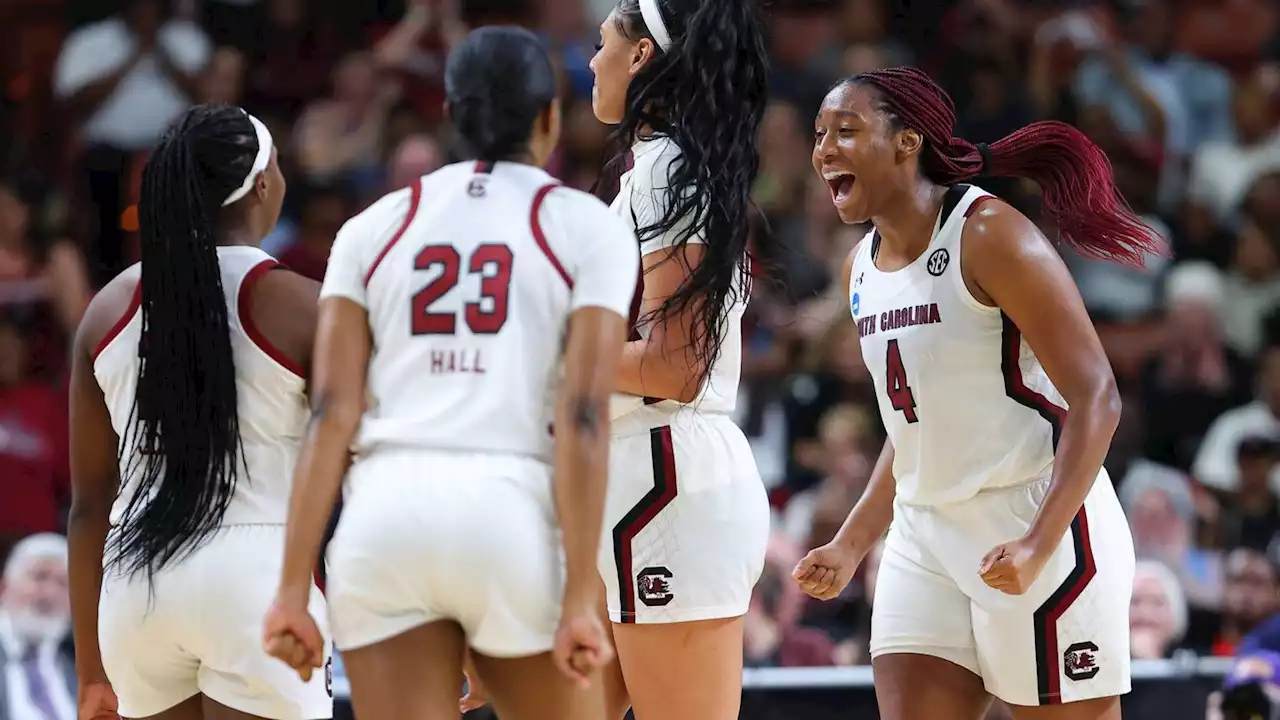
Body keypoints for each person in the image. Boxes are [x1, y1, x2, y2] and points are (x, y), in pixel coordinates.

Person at [261, 26, 640, 720]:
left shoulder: (373, 226)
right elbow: (585, 414)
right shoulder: (588, 228)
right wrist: (583, 596)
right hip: (510, 508)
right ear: (550, 120)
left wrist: (291, 587)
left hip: (384, 516)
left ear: (448, 115)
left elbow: (331, 413)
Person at [796, 66, 1158, 719]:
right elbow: (913, 434)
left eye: (845, 131)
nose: (823, 150)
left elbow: (1097, 396)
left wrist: (1038, 543)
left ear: (905, 142)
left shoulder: (989, 235)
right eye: (819, 134)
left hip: (1035, 513)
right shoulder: (859, 268)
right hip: (924, 530)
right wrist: (853, 541)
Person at [68, 104, 330, 720]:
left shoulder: (106, 309)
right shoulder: (303, 305)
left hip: (134, 588)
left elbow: (88, 507)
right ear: (264, 183)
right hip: (257, 576)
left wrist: (89, 670)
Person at [587, 0, 772, 717]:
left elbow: (674, 368)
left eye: (603, 44)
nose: (592, 62)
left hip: (665, 478)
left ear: (640, 59)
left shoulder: (673, 173)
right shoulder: (654, 172)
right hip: (632, 474)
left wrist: (557, 352)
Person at [0, 534, 75, 720]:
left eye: (63, 584)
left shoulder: (77, 670)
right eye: (39, 577)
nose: (50, 593)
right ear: (5, 587)